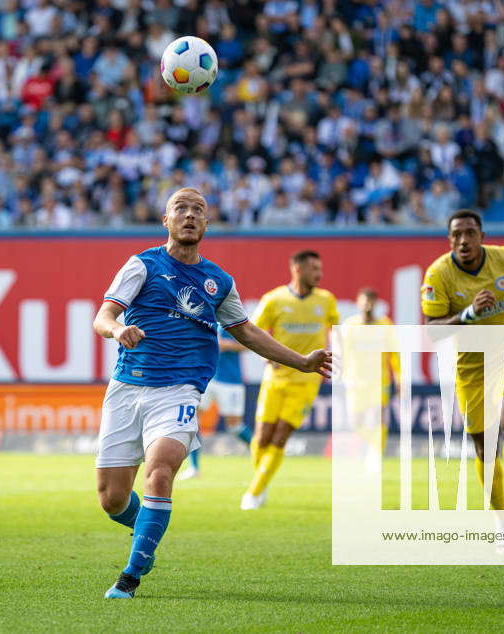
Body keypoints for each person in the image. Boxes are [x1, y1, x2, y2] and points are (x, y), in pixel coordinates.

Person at [93, 188, 331, 599]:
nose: (189, 215)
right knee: (112, 499)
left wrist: (301, 362)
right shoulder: (142, 265)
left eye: (197, 210)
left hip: (180, 390)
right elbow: (104, 315)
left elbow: (248, 332)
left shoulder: (219, 282)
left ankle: (130, 576)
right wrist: (118, 330)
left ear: (206, 224)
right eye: (180, 209)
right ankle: (145, 530)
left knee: (162, 469)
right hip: (128, 386)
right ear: (165, 221)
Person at [420, 209, 504, 550]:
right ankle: (501, 520)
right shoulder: (438, 274)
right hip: (472, 369)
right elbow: (431, 331)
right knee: (484, 448)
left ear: (481, 236)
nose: (463, 240)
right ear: (449, 241)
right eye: (456, 235)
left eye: (469, 233)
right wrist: (467, 315)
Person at [240, 250, 339, 510]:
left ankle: (254, 492)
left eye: (320, 268)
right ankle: (263, 478)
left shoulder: (326, 300)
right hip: (275, 378)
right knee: (261, 438)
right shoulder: (274, 300)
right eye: (314, 269)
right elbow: (254, 331)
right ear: (297, 269)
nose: (319, 274)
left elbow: (336, 332)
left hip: (307, 382)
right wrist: (265, 357)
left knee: (280, 436)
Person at [177, 326, 252, 480]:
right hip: (207, 378)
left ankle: (262, 454)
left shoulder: (232, 318)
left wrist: (226, 344)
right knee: (191, 421)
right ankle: (194, 467)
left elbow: (250, 343)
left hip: (230, 380)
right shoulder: (204, 316)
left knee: (235, 427)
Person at [341, 287, 401, 473]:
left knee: (378, 419)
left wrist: (399, 378)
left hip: (379, 381)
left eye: (370, 301)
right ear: (358, 303)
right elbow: (342, 353)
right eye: (363, 300)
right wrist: (342, 376)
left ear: (375, 303)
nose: (367, 304)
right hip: (355, 382)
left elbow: (394, 354)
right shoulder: (349, 326)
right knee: (355, 422)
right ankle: (372, 448)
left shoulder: (385, 325)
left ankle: (375, 454)